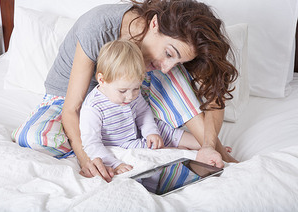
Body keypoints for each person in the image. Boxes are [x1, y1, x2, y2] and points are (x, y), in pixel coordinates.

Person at [12, 0, 238, 183]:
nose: (167, 66)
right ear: (154, 24)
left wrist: (208, 144)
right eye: (169, 54)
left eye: (176, 61)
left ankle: (212, 151)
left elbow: (214, 95)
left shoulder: (159, 66)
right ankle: (107, 138)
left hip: (127, 99)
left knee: (174, 77)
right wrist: (86, 157)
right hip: (71, 102)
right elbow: (72, 108)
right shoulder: (99, 26)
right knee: (34, 137)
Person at [80, 39, 202, 175]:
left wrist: (151, 132)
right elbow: (92, 144)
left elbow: (143, 112)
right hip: (122, 143)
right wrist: (115, 164)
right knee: (151, 149)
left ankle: (206, 145)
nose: (130, 96)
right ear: (102, 80)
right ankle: (182, 151)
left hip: (139, 131)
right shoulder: (93, 107)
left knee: (166, 130)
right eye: (122, 91)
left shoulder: (131, 92)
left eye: (136, 88)